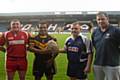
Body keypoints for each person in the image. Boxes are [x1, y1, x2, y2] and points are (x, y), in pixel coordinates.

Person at [92, 11, 120, 80]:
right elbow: (95, 46)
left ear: (107, 19)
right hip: (98, 64)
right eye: (98, 19)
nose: (100, 21)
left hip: (112, 65)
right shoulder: (95, 32)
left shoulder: (116, 31)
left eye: (102, 19)